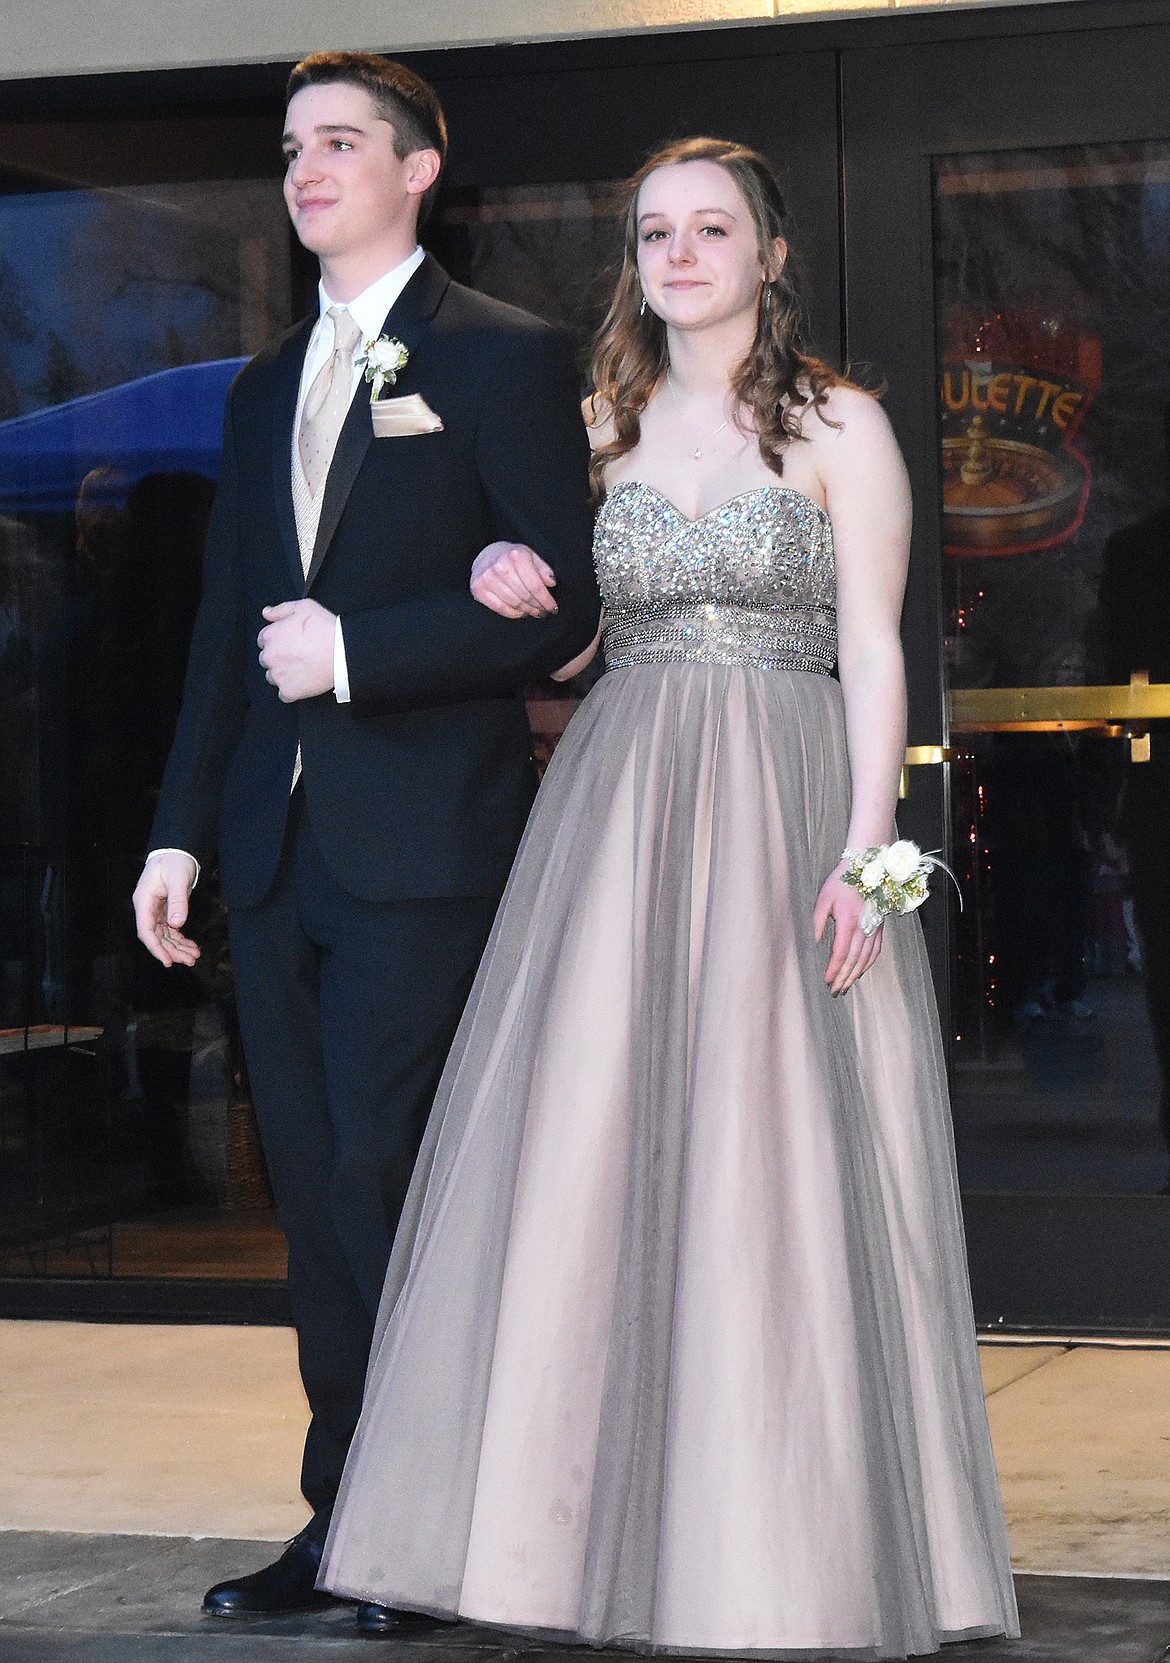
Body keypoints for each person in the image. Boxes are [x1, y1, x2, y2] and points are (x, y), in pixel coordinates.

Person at [319, 136, 1019, 1657]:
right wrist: (518, 590)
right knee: (589, 1158)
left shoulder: (844, 427)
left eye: (711, 230)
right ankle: (566, 1551)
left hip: (779, 804)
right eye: (653, 232)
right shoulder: (594, 427)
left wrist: (864, 849)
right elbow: (573, 650)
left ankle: (783, 1546)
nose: (678, 254)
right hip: (618, 806)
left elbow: (881, 658)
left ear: (770, 256)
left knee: (770, 1165)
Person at [130, 51, 599, 1631]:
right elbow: (218, 633)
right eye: (290, 147)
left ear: (419, 169)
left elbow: (571, 605)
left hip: (423, 851)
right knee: (315, 1210)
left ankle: (438, 1537)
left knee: (386, 1182)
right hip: (270, 858)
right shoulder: (262, 384)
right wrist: (176, 833)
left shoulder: (507, 360)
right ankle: (341, 1528)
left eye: (339, 142)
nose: (305, 166)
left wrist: (365, 654)